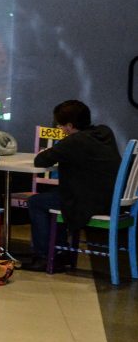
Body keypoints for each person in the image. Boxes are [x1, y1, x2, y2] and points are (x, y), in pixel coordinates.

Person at [24, 100, 121, 271]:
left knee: (36, 202)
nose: (60, 129)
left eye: (60, 125)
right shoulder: (105, 132)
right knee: (57, 196)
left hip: (88, 202)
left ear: (69, 126)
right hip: (112, 199)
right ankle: (60, 250)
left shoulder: (74, 141)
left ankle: (44, 256)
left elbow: (41, 160)